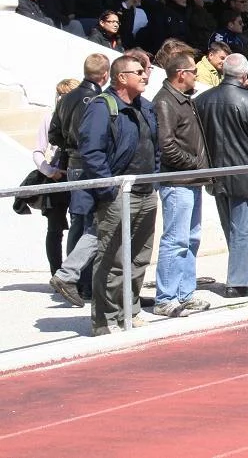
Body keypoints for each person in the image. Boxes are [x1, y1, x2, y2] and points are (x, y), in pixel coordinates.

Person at [77, 54, 159, 335]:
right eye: (139, 72)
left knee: (139, 257)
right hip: (118, 196)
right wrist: (109, 189)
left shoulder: (146, 107)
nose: (145, 75)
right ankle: (105, 318)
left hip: (146, 192)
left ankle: (129, 310)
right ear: (121, 77)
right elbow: (91, 152)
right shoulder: (102, 107)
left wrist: (154, 177)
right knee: (112, 258)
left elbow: (155, 147)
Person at [194, 53, 248, 298]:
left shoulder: (202, 100)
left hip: (216, 174)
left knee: (232, 229)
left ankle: (243, 272)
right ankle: (238, 281)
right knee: (244, 230)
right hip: (245, 175)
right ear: (244, 76)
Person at [151, 52, 212, 317]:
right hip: (177, 181)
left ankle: (185, 294)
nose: (197, 76)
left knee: (191, 239)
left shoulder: (184, 99)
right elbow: (166, 146)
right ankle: (165, 298)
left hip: (191, 180)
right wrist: (195, 164)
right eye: (194, 71)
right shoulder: (165, 101)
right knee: (175, 240)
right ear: (181, 74)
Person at [47, 53, 110, 307]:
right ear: (105, 75)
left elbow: (54, 135)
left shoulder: (66, 99)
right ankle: (82, 283)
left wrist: (69, 147)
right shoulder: (98, 100)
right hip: (90, 165)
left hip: (73, 163)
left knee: (78, 222)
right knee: (91, 223)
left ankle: (76, 281)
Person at [34, 79, 78, 275]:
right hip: (57, 178)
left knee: (79, 224)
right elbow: (38, 151)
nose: (61, 98)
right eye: (59, 94)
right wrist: (50, 171)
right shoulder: (49, 118)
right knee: (54, 228)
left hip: (78, 176)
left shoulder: (84, 116)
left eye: (66, 94)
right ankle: (56, 273)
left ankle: (75, 274)